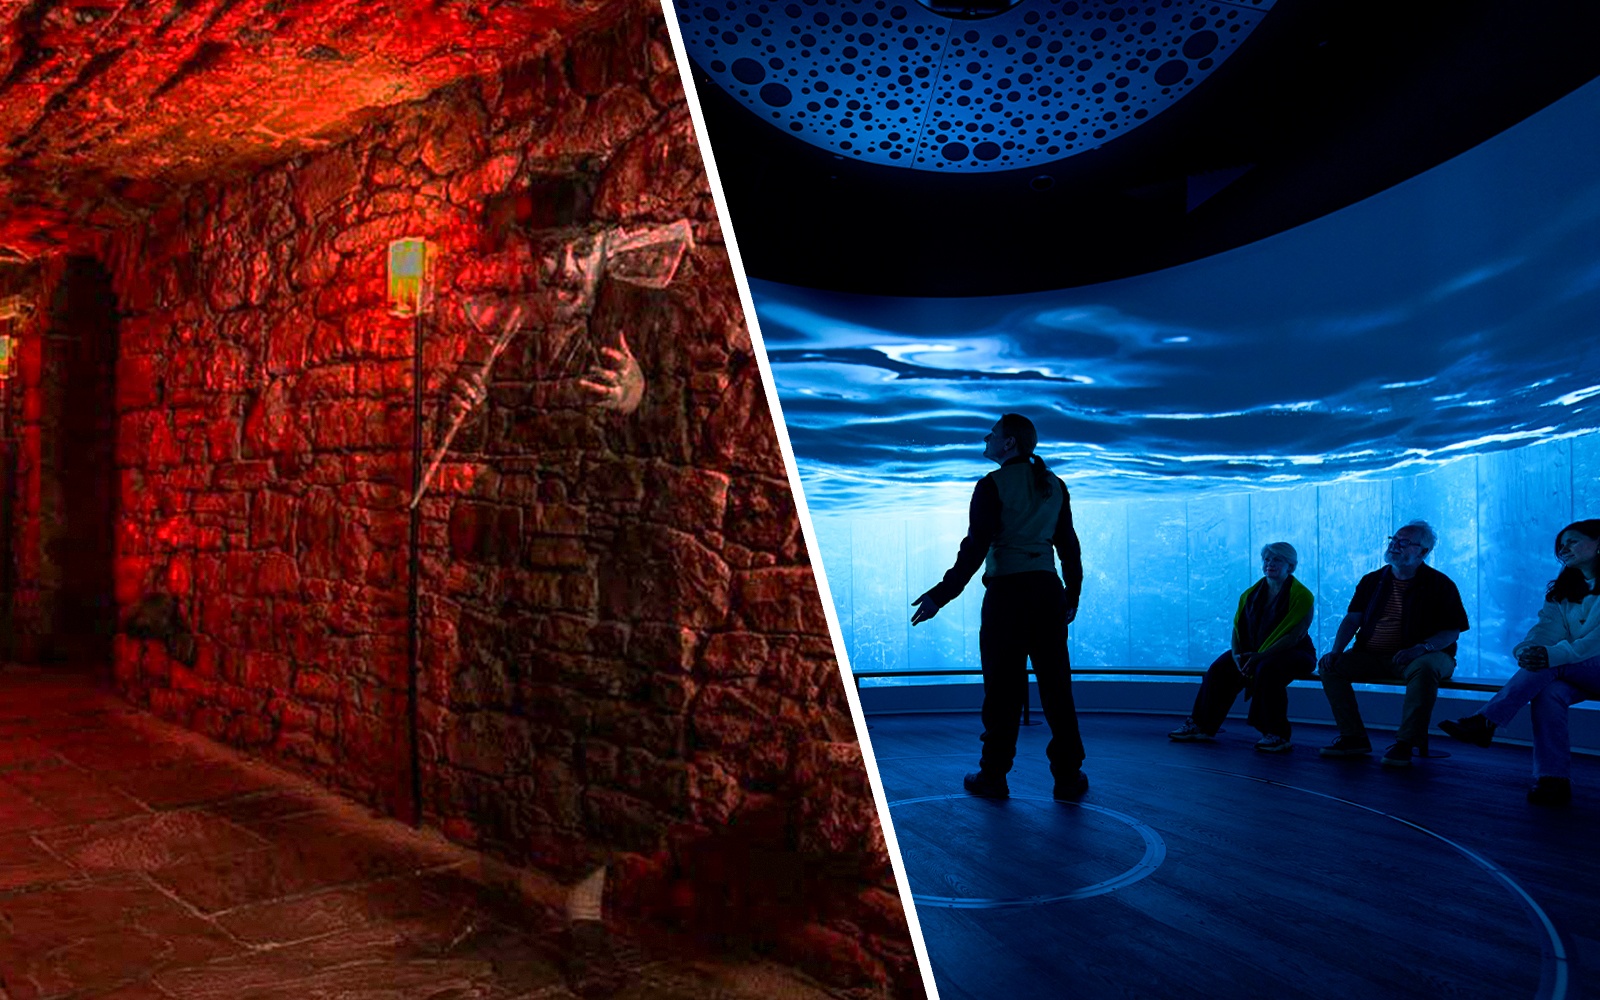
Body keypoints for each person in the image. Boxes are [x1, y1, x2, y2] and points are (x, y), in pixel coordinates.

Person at [910, 413, 1088, 800]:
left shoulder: (991, 485)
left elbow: (974, 549)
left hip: (1007, 597)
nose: (986, 438)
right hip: (1048, 593)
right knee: (1057, 687)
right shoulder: (1055, 485)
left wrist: (940, 595)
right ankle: (1068, 776)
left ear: (1009, 443)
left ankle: (993, 776)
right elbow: (1069, 548)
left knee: (1002, 691)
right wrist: (1071, 596)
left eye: (992, 434)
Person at [1439, 519, 1600, 805]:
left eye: (1572, 542)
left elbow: (1595, 641)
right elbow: (1545, 631)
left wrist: (1548, 656)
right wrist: (1528, 651)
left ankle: (1485, 721)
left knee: (1550, 663)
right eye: (1561, 545)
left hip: (1587, 666)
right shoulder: (1564, 591)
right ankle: (1552, 779)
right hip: (1583, 671)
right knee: (1549, 692)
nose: (1563, 549)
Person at [1317, 520, 1469, 767]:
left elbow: (1452, 631)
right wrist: (1336, 651)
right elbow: (1352, 619)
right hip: (1371, 656)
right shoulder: (1371, 581)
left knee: (1425, 668)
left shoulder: (1440, 584)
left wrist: (1421, 649)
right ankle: (1353, 737)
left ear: (1423, 552)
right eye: (1394, 539)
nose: (1395, 545)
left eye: (1404, 542)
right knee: (1330, 667)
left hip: (1425, 655)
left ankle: (1406, 743)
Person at [1168, 542, 1316, 751]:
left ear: (1290, 566)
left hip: (1295, 652)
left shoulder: (1302, 595)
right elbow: (1237, 628)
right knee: (1220, 667)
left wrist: (1260, 656)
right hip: (1255, 652)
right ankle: (1201, 725)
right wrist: (1237, 655)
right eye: (1267, 559)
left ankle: (1277, 734)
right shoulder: (1249, 594)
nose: (1270, 563)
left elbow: (1293, 636)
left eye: (1277, 559)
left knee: (1268, 669)